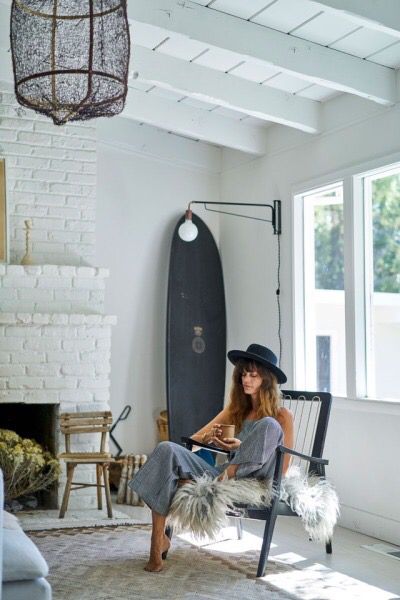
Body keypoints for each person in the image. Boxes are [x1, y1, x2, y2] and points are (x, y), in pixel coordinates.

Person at [129, 343, 294, 573]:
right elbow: (194, 440)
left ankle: (224, 477)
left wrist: (242, 447)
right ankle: (157, 542)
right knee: (167, 449)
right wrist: (211, 439)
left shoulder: (281, 415)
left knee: (269, 425)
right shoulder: (236, 410)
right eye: (244, 374)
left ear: (266, 379)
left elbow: (284, 467)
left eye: (253, 375)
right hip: (227, 472)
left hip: (259, 478)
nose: (246, 379)